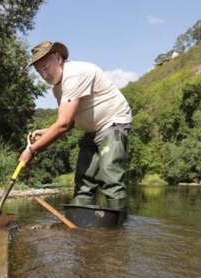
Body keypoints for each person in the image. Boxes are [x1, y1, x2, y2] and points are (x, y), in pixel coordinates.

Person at [20, 41, 133, 211]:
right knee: (83, 182)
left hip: (114, 123)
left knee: (110, 176)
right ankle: (80, 225)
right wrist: (44, 133)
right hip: (91, 131)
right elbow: (70, 122)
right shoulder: (57, 89)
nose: (44, 74)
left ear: (58, 58)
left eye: (46, 66)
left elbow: (63, 125)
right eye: (39, 71)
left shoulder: (74, 74)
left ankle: (118, 231)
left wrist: (32, 150)